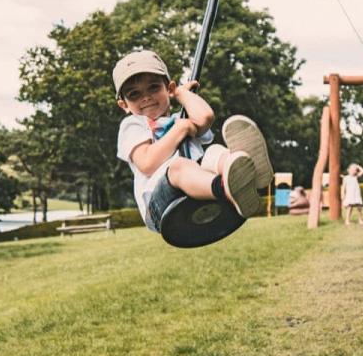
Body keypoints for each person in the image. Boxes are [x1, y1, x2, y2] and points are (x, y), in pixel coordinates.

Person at [113, 50, 273, 235]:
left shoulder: (180, 119)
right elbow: (147, 163)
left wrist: (182, 94)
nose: (146, 97)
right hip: (160, 205)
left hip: (196, 190)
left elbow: (205, 117)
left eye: (154, 88)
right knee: (179, 166)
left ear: (168, 89)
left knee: (213, 152)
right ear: (124, 105)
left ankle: (247, 169)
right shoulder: (134, 125)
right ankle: (226, 188)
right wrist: (180, 130)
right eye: (134, 94)